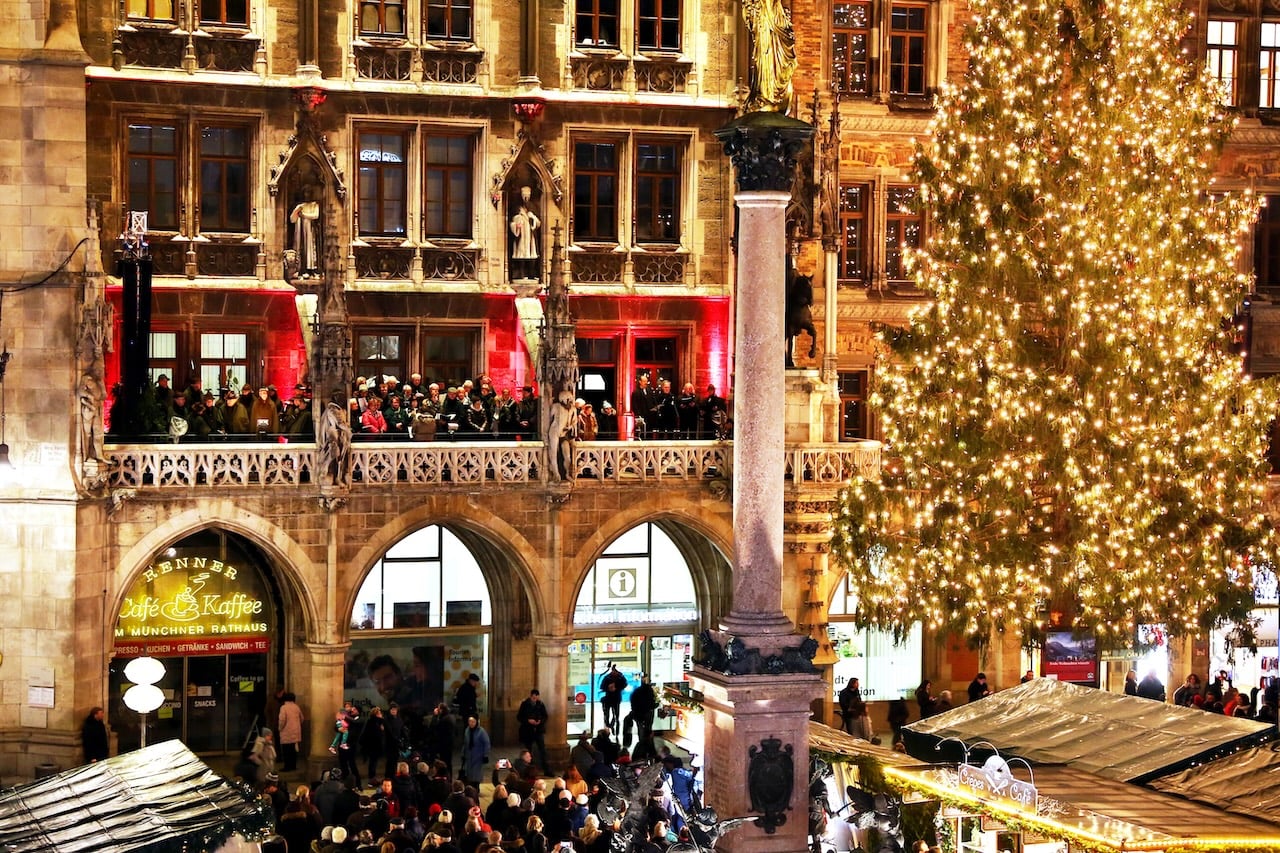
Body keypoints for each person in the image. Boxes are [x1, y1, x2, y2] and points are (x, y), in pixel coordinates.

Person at [510, 186, 541, 280]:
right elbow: (512, 220)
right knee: (521, 254)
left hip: (530, 235)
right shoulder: (517, 207)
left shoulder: (533, 207)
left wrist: (533, 218)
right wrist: (517, 223)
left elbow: (538, 222)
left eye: (528, 195)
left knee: (531, 254)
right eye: (524, 195)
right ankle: (520, 274)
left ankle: (531, 274)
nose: (526, 197)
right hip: (521, 235)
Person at [516, 688, 549, 774]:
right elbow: (519, 717)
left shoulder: (540, 704)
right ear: (531, 696)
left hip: (538, 730)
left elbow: (545, 716)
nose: (535, 699)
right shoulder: (525, 704)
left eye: (536, 697)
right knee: (528, 751)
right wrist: (528, 720)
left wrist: (540, 721)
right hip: (528, 730)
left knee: (542, 750)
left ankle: (546, 769)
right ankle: (528, 770)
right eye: (533, 697)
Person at [628, 673, 659, 760]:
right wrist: (655, 705)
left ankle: (642, 744)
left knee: (641, 729)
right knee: (648, 729)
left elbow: (633, 701)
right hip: (647, 714)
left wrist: (634, 710)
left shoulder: (636, 692)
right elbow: (651, 704)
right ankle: (648, 747)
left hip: (638, 714)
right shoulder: (649, 692)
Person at [290, 196, 322, 277]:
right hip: (300, 231)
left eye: (308, 192)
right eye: (305, 192)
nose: (307, 195)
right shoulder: (300, 206)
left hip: (310, 232)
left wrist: (303, 215)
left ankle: (312, 270)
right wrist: (297, 210)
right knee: (300, 249)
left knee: (310, 250)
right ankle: (300, 269)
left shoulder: (314, 205)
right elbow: (292, 219)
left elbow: (315, 215)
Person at [460, 715, 491, 786]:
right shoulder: (467, 730)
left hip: (478, 756)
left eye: (473, 721)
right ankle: (471, 787)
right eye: (469, 721)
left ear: (476, 722)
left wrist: (485, 755)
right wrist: (463, 754)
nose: (471, 723)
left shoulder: (481, 732)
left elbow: (486, 743)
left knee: (476, 774)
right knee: (469, 774)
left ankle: (476, 787)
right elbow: (465, 743)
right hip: (469, 755)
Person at [278, 691, 305, 772]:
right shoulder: (296, 707)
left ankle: (287, 767)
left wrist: (280, 728)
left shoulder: (284, 707)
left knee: (286, 751)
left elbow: (282, 720)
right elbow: (302, 718)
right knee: (293, 751)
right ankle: (293, 766)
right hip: (296, 732)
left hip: (286, 732)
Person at [599, 663, 628, 735]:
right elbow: (602, 686)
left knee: (616, 715)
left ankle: (614, 727)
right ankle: (607, 727)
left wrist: (617, 687)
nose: (614, 672)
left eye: (615, 670)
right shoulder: (607, 677)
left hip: (616, 698)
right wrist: (608, 688)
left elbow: (625, 684)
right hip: (608, 698)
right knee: (606, 714)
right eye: (613, 670)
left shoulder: (621, 677)